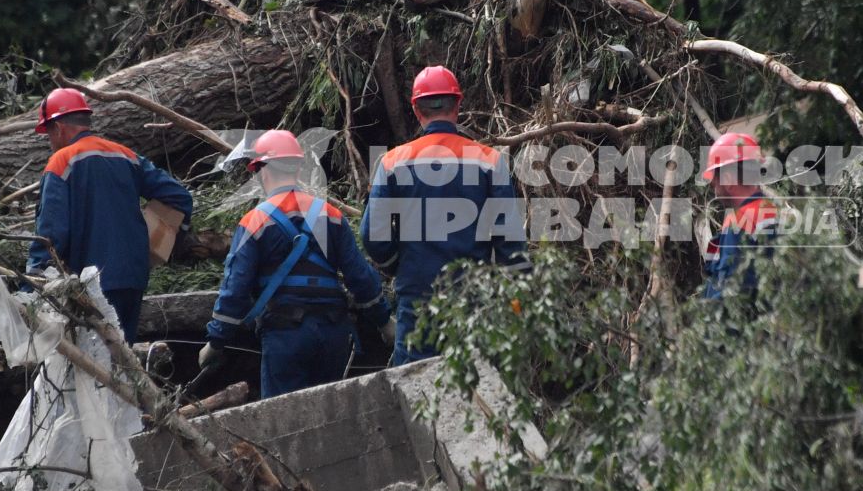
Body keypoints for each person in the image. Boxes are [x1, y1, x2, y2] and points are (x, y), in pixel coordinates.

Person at [195, 129, 391, 399]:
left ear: (262, 171)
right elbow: (360, 277)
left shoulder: (254, 222)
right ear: (298, 168)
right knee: (331, 413)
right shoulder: (330, 215)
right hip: (333, 332)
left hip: (285, 336)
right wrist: (384, 321)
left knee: (282, 417)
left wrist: (215, 343)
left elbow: (235, 290)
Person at [361, 65, 528, 365]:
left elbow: (373, 235)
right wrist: (520, 300)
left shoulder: (392, 162)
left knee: (415, 393)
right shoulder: (490, 161)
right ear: (458, 104)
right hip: (473, 300)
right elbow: (510, 243)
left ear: (415, 108)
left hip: (417, 299)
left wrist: (396, 264)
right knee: (478, 392)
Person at [27, 87, 193, 342]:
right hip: (132, 278)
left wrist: (32, 281)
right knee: (123, 361)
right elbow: (180, 197)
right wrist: (172, 239)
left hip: (89, 286)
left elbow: (51, 234)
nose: (50, 141)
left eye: (48, 133)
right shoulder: (125, 155)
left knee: (93, 367)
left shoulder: (61, 162)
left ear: (58, 128)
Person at [701, 131, 778, 299]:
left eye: (715, 181)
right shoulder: (775, 212)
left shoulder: (739, 221)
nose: (714, 188)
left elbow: (729, 288)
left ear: (728, 179)